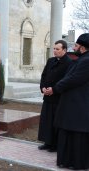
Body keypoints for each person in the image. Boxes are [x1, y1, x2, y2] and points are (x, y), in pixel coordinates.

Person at [46, 33, 89, 170]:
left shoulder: (86, 61)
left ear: (82, 48)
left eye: (76, 45)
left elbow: (73, 79)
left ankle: (76, 162)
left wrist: (55, 88)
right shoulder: (82, 59)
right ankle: (68, 160)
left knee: (77, 136)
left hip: (77, 106)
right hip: (74, 106)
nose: (74, 47)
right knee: (70, 134)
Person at [38, 40, 71, 152]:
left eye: (57, 49)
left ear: (64, 50)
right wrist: (43, 88)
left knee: (55, 121)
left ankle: (55, 145)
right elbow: (44, 75)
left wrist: (54, 90)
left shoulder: (69, 63)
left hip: (58, 98)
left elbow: (66, 80)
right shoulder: (51, 60)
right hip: (47, 97)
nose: (55, 51)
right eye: (54, 49)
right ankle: (47, 142)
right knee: (46, 121)